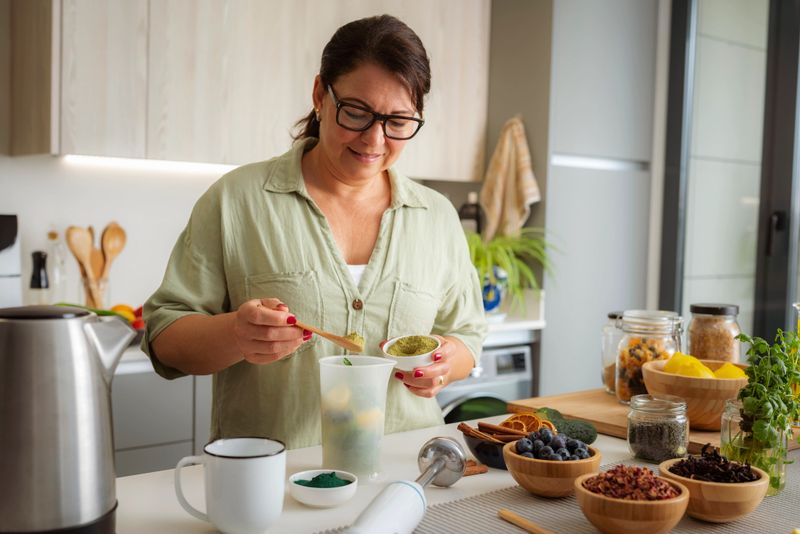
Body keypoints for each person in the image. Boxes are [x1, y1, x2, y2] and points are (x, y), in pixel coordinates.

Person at [142, 14, 488, 449]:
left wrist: (445, 362)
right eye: (357, 112)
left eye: (398, 122)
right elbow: (164, 335)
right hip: (273, 481)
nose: (374, 140)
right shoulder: (237, 199)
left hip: (409, 476)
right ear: (320, 96)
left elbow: (468, 334)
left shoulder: (436, 216)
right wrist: (235, 334)